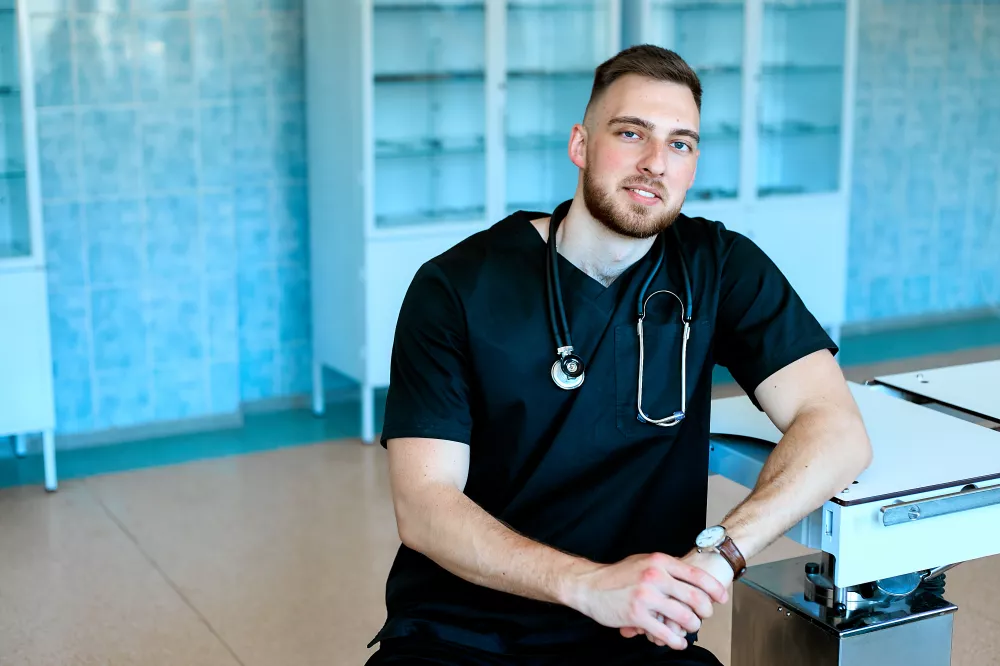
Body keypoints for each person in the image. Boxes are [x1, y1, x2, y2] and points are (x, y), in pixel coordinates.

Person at [364, 45, 873, 665]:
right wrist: (588, 585)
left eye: (680, 144)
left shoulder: (719, 267)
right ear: (581, 145)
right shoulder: (457, 287)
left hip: (637, 634)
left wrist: (719, 556)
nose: (655, 163)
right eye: (631, 133)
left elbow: (836, 427)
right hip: (463, 630)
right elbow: (424, 505)